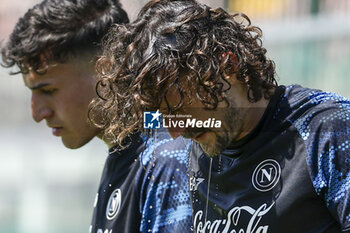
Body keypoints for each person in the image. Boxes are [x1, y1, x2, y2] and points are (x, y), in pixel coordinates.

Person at [91, 0, 350, 232]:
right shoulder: (202, 148)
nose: (175, 130)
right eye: (163, 117)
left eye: (179, 109)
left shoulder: (329, 130)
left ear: (229, 66)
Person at [1, 0, 192, 232]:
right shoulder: (126, 151)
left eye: (48, 91)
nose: (37, 113)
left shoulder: (166, 158)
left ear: (106, 71)